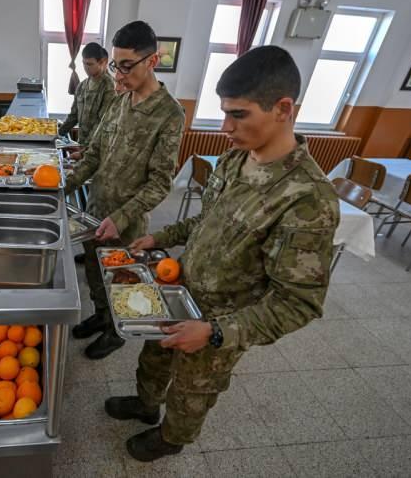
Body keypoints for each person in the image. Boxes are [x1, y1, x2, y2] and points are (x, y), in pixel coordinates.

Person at [104, 46, 340, 462]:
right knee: (155, 357)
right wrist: (160, 238)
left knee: (193, 390)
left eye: (239, 114)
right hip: (178, 291)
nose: (225, 126)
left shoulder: (307, 198)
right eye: (224, 113)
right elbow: (205, 221)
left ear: (283, 108)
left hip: (222, 321)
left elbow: (298, 302)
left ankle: (171, 438)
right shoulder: (233, 161)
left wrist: (215, 332)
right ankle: (145, 404)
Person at [65, 21, 185, 360]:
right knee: (93, 271)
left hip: (126, 221)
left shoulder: (169, 114)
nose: (120, 73)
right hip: (96, 208)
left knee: (120, 280)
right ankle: (102, 316)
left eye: (127, 65)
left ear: (152, 61)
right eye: (117, 64)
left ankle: (116, 332)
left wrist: (121, 217)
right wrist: (64, 185)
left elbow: (161, 182)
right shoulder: (120, 102)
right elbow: (95, 155)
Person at [58, 42, 116, 146]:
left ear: (102, 62)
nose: (86, 67)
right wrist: (57, 133)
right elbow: (73, 116)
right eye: (84, 63)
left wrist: (86, 148)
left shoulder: (110, 87)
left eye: (90, 64)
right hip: (82, 144)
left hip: (98, 148)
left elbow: (102, 122)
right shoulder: (82, 86)